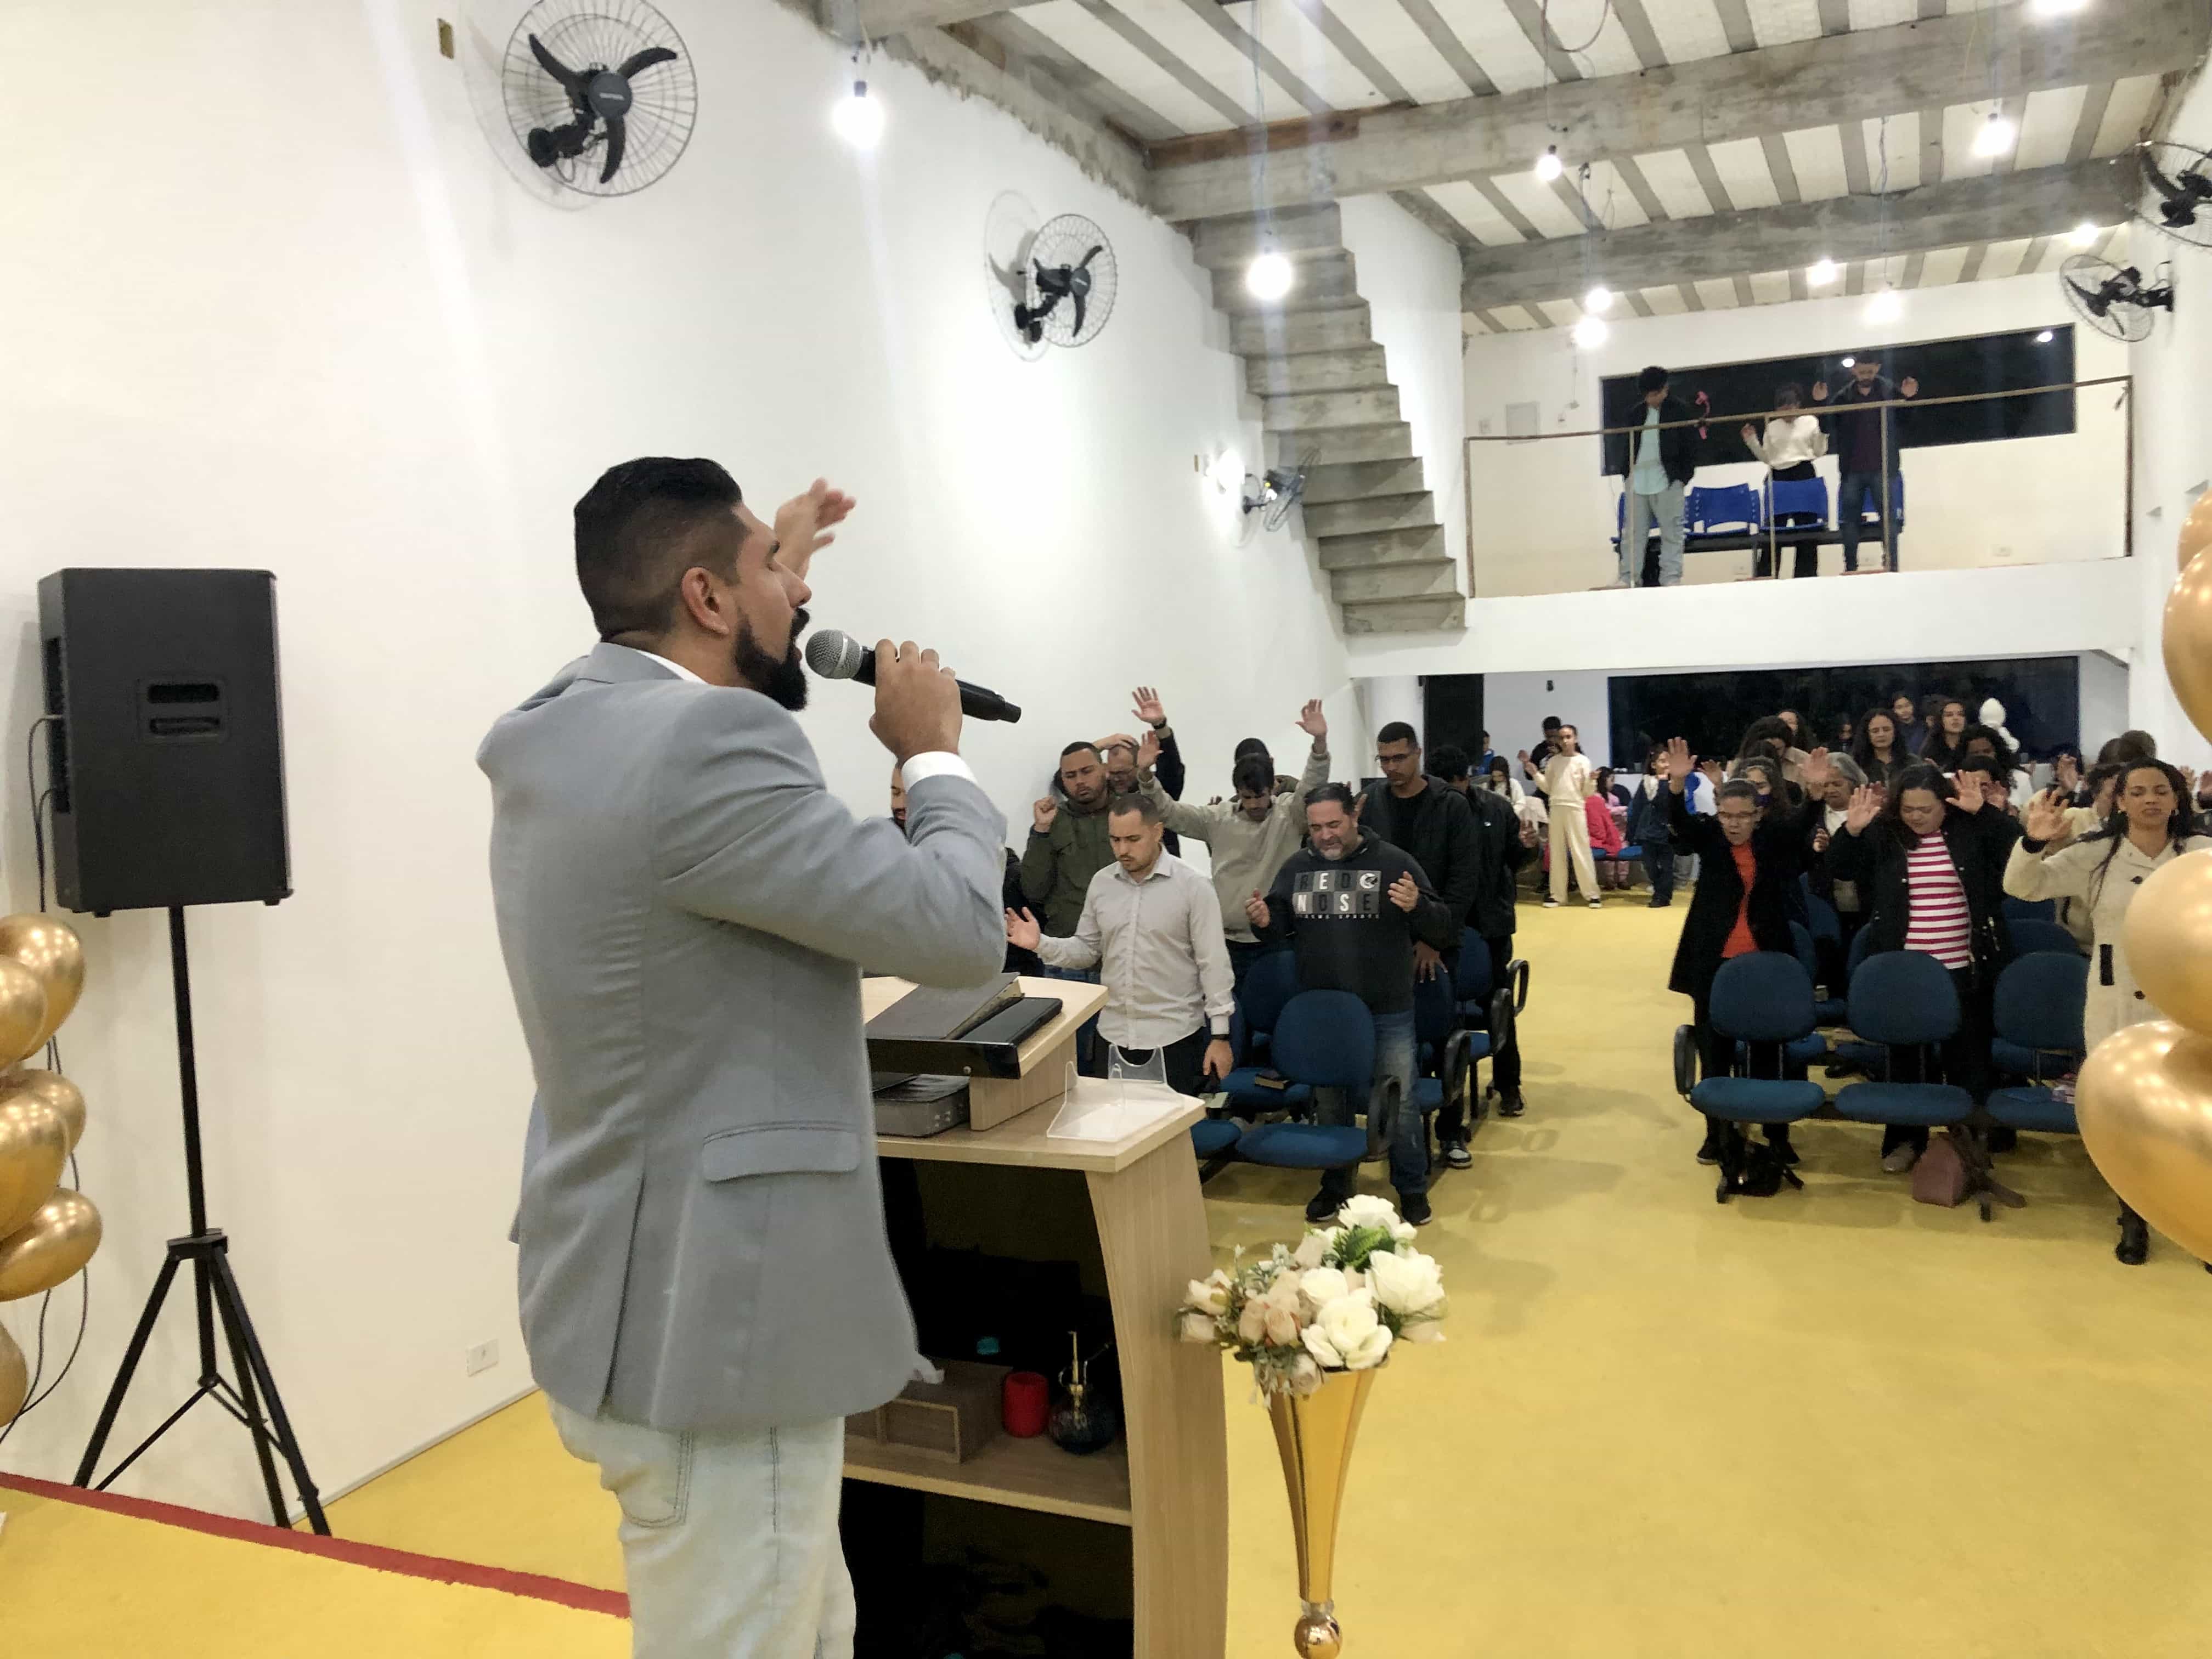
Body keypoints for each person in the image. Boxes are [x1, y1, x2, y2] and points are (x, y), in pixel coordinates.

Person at [479, 460, 1005, 1657]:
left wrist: (782, 557)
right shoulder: (707, 745)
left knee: (809, 1625)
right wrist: (934, 757)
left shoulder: (563, 727)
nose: (799, 593)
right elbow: (960, 934)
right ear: (708, 598)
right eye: (770, 568)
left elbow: (702, 710)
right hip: (721, 1319)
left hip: (626, 1278)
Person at [2008, 761, 2210, 1263]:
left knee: (2197, 1111)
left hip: (2188, 1003)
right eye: (2137, 792)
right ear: (2119, 801)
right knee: (2129, 1117)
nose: (2150, 800)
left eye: (2161, 791)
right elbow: (2024, 886)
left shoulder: (2200, 854)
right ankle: (2134, 1216)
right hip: (2115, 1000)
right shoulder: (2098, 853)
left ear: (2177, 799)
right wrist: (2034, 842)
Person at [1248, 785, 1455, 1227]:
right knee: (1330, 1104)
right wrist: (1265, 921)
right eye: (1316, 828)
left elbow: (1444, 927)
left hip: (1387, 1008)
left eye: (1334, 825)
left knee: (1399, 1103)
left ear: (1354, 817)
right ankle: (1337, 1184)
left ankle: (1412, 1188)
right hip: (1326, 1012)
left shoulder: (1394, 863)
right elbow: (1279, 924)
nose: (1325, 835)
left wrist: (1418, 907)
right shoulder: (1298, 867)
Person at [1827, 763, 2017, 1172]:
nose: (1916, 817)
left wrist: (1984, 811)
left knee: (1968, 1060)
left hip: (1963, 965)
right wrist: (1852, 831)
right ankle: (1905, 1140)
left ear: (1946, 805)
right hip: (1904, 969)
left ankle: (1966, 1145)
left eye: (1925, 809)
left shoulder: (1970, 829)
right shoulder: (1886, 833)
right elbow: (1839, 870)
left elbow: (2017, 852)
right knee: (1904, 1060)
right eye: (1908, 809)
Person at [1661, 738, 1831, 1166]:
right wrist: (1676, 785)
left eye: (1742, 817)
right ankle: (1716, 1134)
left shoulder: (1773, 840)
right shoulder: (1710, 840)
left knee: (1770, 1050)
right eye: (1726, 816)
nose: (1733, 824)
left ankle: (1776, 1133)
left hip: (1765, 958)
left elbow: (1802, 825)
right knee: (1714, 1051)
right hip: (1713, 959)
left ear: (1758, 815)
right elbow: (1679, 823)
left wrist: (1815, 794)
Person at [1006, 793, 1233, 1098]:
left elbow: (1213, 963)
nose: (1123, 850)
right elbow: (1087, 951)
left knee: (1172, 1127)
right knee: (1113, 1124)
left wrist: (1220, 1036)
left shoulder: (1193, 886)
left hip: (1174, 1035)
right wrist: (1040, 944)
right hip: (1113, 1034)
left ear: (1157, 832)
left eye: (1133, 839)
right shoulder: (1102, 884)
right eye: (1115, 840)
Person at [1137, 701, 1330, 985]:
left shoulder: (1290, 815)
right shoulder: (1217, 818)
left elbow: (1312, 784)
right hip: (1225, 942)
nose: (1254, 804)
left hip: (1279, 940)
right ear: (1237, 791)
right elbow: (1168, 812)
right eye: (1246, 797)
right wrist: (1145, 776)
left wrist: (1320, 743)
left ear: (1273, 787)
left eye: (1259, 796)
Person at [1359, 723, 1480, 987]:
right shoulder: (1369, 802)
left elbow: (1463, 881)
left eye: (1399, 758)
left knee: (1434, 1007)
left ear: (1418, 753)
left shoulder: (1451, 804)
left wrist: (1435, 939)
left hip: (1436, 935)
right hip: (1381, 937)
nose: (1391, 767)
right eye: (1384, 760)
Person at [896, 762, 1039, 974]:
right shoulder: (895, 857)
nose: (902, 804)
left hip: (990, 973)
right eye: (895, 793)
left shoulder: (1005, 871)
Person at [1813, 358, 1918, 572]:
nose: (1866, 376)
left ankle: (1891, 566)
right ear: (1854, 371)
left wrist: (1909, 399)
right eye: (1863, 372)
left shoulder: (1889, 392)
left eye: (1870, 372)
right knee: (1850, 521)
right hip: (1852, 469)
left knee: (1888, 519)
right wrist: (1820, 404)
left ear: (1877, 368)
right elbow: (1827, 427)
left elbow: (1907, 422)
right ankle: (1851, 568)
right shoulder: (1843, 397)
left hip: (1883, 467)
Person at [1613, 365, 1697, 589]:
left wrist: (1682, 477)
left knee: (1672, 532)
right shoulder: (1635, 414)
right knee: (1632, 535)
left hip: (1668, 480)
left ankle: (1671, 578)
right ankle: (1628, 577)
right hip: (1638, 481)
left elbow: (1691, 447)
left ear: (1665, 389)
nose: (1652, 399)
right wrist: (1627, 474)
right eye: (1648, 395)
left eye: (1655, 394)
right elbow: (1626, 447)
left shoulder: (1680, 411)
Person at [1740, 385, 1829, 579]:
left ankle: (1806, 576)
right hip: (1778, 476)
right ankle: (1767, 576)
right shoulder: (1772, 426)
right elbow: (1768, 457)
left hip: (1804, 473)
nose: (1787, 411)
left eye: (1791, 406)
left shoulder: (1810, 421)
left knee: (1807, 529)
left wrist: (1823, 434)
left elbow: (1819, 451)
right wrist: (1752, 442)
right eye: (1782, 407)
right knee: (1773, 531)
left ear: (1798, 405)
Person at [1098, 685, 1186, 854]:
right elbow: (1066, 779)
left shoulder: (1157, 789)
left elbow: (1172, 768)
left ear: (1138, 765)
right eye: (1113, 773)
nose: (1117, 778)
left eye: (1123, 773)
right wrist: (1098, 746)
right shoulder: (1102, 792)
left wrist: (1160, 726)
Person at [1807, 754, 1871, 976]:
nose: (1831, 790)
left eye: (1837, 783)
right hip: (1825, 902)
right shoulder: (1812, 817)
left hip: (1865, 901)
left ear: (1853, 783)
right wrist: (1819, 851)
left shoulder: (1871, 814)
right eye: (1825, 785)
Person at [1541, 724, 1602, 908]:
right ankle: (1558, 895)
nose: (1565, 741)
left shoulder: (1583, 761)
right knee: (1557, 852)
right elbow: (1548, 787)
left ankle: (1592, 895)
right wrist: (1534, 772)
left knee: (1581, 850)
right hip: (1556, 807)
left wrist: (1592, 781)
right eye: (1562, 738)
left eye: (1568, 737)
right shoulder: (1553, 762)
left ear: (1575, 738)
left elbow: (1587, 793)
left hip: (1575, 808)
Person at [1626, 744, 1680, 907]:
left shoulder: (1675, 783)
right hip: (1647, 831)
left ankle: (1662, 897)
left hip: (1667, 831)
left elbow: (1664, 803)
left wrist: (1663, 782)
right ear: (1654, 765)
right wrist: (1631, 832)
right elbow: (1637, 807)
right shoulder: (1646, 783)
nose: (1667, 764)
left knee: (1666, 866)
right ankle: (1660, 890)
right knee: (1649, 865)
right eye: (1663, 761)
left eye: (1669, 761)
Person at [1853, 707, 1912, 793]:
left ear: (1895, 732)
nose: (1881, 734)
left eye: (1886, 730)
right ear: (1867, 734)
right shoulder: (1856, 764)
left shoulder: (1911, 762)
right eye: (1875, 731)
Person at [1587, 772, 1629, 888]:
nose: (1613, 784)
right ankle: (1609, 879)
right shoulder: (1595, 798)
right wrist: (1623, 809)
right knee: (1608, 855)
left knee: (1623, 851)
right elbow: (1606, 811)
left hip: (1619, 831)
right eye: (1611, 780)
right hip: (1603, 833)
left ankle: (1623, 878)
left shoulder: (1614, 798)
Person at [1919, 697, 1971, 772]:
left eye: (1960, 714)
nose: (1956, 718)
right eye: (1949, 715)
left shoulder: (1973, 745)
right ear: (1941, 720)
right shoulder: (1930, 749)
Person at [1889, 691, 1925, 755]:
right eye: (1899, 707)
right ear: (1894, 710)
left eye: (1907, 706)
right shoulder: (1893, 729)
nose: (1904, 710)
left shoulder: (1924, 726)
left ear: (1913, 706)